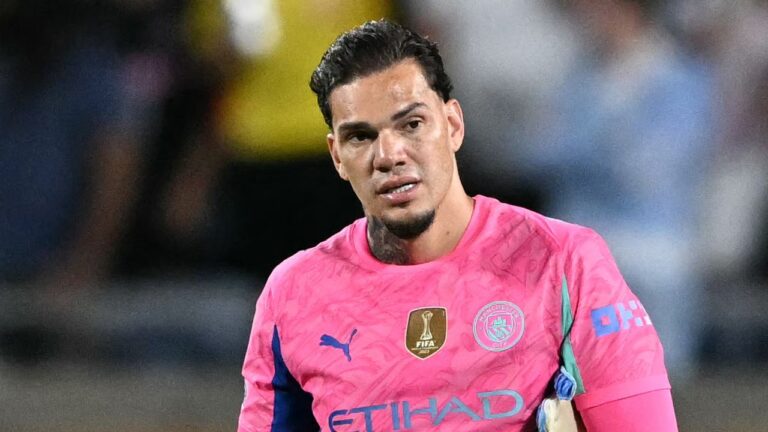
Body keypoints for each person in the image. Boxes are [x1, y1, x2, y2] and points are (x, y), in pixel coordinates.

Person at [238, 20, 677, 431]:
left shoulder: (563, 263)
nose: (388, 155)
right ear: (337, 156)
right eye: (361, 137)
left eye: (411, 124)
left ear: (452, 126)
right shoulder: (293, 295)